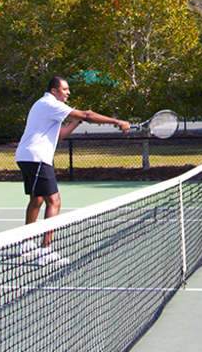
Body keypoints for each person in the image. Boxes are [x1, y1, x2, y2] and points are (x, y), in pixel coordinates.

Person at [15, 76, 129, 264]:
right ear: (54, 91)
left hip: (27, 156)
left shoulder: (45, 105)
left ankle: (26, 242)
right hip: (37, 158)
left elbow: (60, 135)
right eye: (65, 89)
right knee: (54, 200)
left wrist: (76, 122)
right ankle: (45, 251)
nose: (68, 93)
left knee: (37, 199)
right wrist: (117, 122)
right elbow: (88, 114)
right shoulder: (50, 104)